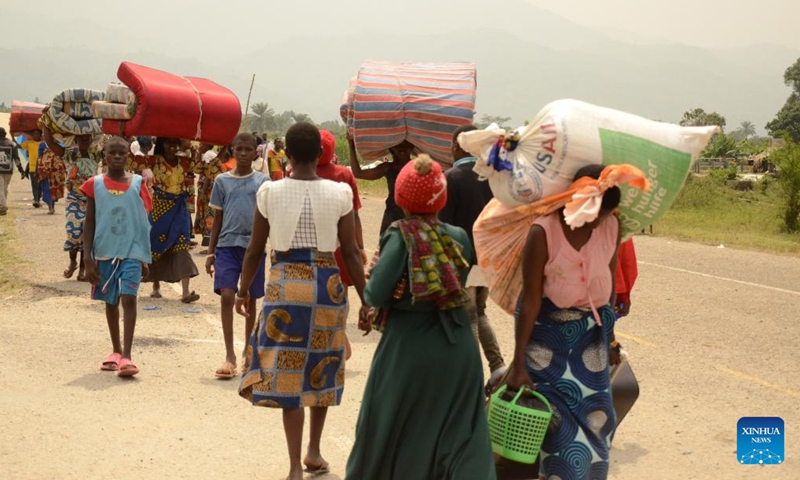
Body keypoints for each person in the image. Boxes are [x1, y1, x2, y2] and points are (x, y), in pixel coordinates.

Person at [345, 154, 495, 480]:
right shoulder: (459, 236)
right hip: (458, 348)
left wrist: (375, 271)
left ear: (401, 199)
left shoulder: (400, 235)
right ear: (442, 198)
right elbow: (464, 283)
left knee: (390, 429)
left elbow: (375, 294)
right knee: (458, 434)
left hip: (409, 350)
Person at [236, 122, 367, 480]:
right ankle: (314, 452)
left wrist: (244, 289)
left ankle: (294, 466)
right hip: (327, 287)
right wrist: (366, 300)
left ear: (287, 155)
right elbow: (351, 252)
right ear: (321, 154)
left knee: (289, 374)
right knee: (322, 366)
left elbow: (254, 249)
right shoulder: (340, 193)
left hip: (286, 285)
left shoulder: (269, 191)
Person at [507, 164, 628, 480]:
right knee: (559, 439)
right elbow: (529, 301)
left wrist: (611, 339)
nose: (601, 221)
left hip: (592, 349)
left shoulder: (611, 226)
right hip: (549, 351)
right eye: (598, 214)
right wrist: (518, 365)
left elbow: (609, 290)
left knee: (601, 424)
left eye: (607, 215)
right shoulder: (543, 232)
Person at [439, 124, 506, 384]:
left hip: (462, 261)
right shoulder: (493, 177)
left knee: (469, 317)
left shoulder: (451, 178)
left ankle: (472, 374)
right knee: (479, 311)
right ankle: (497, 366)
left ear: (457, 146)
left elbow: (444, 226)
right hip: (487, 260)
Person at [82, 136, 152, 377]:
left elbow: (143, 221)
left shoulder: (138, 183)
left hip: (131, 251)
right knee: (111, 301)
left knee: (129, 298)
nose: (117, 157)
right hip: (104, 251)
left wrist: (144, 256)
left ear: (128, 156)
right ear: (104, 155)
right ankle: (115, 350)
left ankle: (127, 356)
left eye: (121, 153)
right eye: (112, 152)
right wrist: (87, 258)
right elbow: (89, 222)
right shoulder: (94, 184)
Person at [204, 133, 269, 379]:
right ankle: (230, 355)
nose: (243, 153)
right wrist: (211, 252)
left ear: (255, 152)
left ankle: (247, 353)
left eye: (247, 149)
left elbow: (268, 217)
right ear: (232, 150)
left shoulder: (263, 182)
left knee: (250, 298)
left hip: (254, 247)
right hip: (226, 246)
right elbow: (218, 219)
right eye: (238, 149)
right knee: (227, 296)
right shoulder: (222, 181)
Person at [128, 137, 209, 302]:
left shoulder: (185, 162)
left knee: (182, 245)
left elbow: (209, 169)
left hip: (179, 209)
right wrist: (123, 136)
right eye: (168, 142)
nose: (172, 145)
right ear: (162, 144)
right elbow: (131, 163)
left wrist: (223, 147)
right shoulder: (153, 161)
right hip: (159, 209)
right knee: (154, 245)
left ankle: (185, 292)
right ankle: (155, 286)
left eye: (174, 142)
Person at [316, 130, 367, 359]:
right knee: (341, 292)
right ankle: (339, 334)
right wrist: (360, 246)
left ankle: (333, 338)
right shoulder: (344, 174)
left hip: (314, 243)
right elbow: (355, 215)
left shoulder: (299, 172)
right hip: (341, 243)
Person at [43, 125, 101, 281]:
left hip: (91, 199)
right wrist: (46, 125)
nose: (85, 140)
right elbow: (50, 143)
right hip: (74, 198)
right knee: (73, 231)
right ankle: (73, 261)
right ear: (76, 139)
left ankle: (82, 269)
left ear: (92, 139)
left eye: (87, 137)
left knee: (87, 234)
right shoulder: (69, 154)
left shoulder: (96, 154)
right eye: (81, 137)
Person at [347, 135, 414, 235]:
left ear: (412, 148)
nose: (402, 148)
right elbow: (358, 173)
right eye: (398, 146)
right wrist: (351, 143)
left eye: (406, 145)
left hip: (412, 217)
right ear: (391, 149)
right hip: (392, 216)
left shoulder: (418, 167)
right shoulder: (387, 167)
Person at [193, 143, 225, 251]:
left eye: (201, 144)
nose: (199, 146)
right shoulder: (209, 154)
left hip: (208, 190)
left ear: (206, 146)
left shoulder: (207, 155)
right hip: (209, 188)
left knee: (209, 214)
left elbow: (208, 174)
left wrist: (203, 192)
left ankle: (211, 244)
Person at [36, 142, 66, 215]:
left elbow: (63, 156)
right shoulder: (42, 145)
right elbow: (39, 157)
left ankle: (52, 207)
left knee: (54, 189)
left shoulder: (60, 144)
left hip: (56, 172)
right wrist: (38, 169)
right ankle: (50, 207)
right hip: (45, 171)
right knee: (47, 189)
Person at [0, 128, 25, 216]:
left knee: (1, 188)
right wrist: (21, 170)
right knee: (4, 188)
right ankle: (2, 205)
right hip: (8, 170)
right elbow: (16, 159)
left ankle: (2, 206)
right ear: (5, 134)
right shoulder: (12, 144)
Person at [17, 130, 44, 208]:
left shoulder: (43, 144)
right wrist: (12, 137)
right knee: (34, 184)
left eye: (37, 134)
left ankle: (38, 200)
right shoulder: (28, 143)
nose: (36, 135)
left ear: (40, 135)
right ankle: (36, 200)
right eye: (34, 134)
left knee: (40, 185)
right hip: (32, 167)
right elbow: (18, 146)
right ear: (32, 135)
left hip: (42, 167)